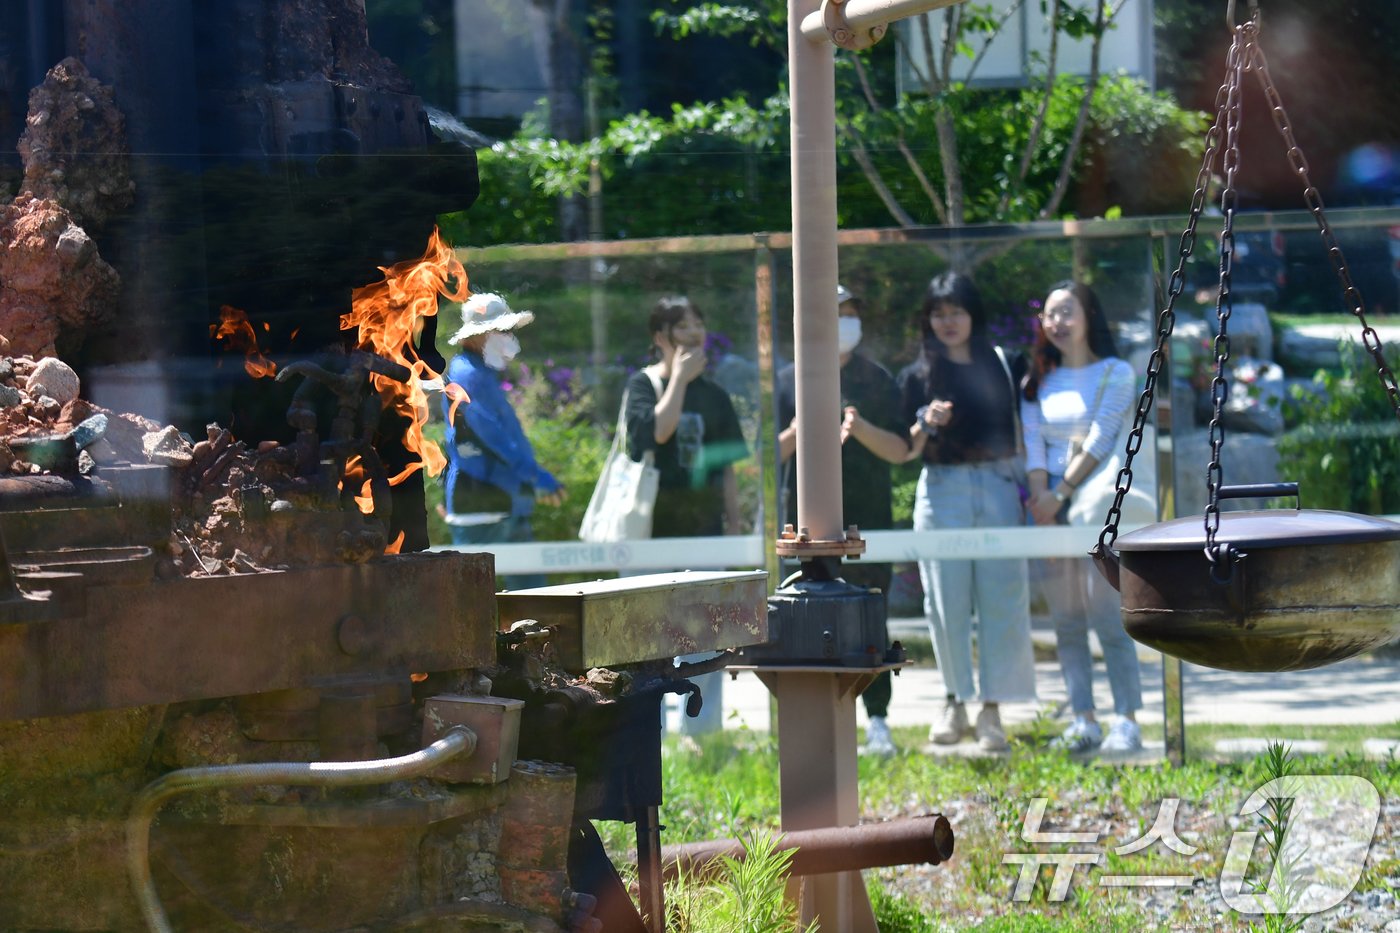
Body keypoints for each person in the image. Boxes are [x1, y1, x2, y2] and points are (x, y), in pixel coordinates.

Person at [898, 271, 1038, 753]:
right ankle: (954, 700)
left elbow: (1029, 427)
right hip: (942, 491)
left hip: (998, 486)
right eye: (938, 312)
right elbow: (906, 449)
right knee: (944, 602)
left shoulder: (1004, 363)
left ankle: (992, 708)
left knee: (1003, 598)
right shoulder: (917, 376)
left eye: (956, 310)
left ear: (973, 314)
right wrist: (924, 422)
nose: (948, 321)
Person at [776, 284, 910, 757]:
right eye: (836, 313)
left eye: (851, 312)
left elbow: (901, 450)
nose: (845, 322)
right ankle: (807, 728)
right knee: (803, 620)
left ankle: (878, 722)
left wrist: (859, 429)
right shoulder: (789, 378)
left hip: (868, 520)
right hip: (805, 529)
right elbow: (767, 453)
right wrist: (805, 426)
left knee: (871, 619)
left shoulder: (877, 379)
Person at [1022, 280, 1144, 753]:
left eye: (1067, 311)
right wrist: (1042, 504)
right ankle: (1083, 719)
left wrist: (1061, 493)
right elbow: (1032, 441)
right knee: (1067, 621)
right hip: (1047, 510)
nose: (1057, 322)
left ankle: (1126, 721)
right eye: (1050, 314)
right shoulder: (1037, 378)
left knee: (1107, 617)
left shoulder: (1116, 371)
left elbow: (1103, 437)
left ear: (1090, 315)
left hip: (1095, 508)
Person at [625, 295, 748, 735]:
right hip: (650, 534)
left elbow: (728, 468)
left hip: (704, 530)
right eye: (682, 325)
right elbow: (658, 431)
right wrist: (677, 380)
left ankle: (701, 734)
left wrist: (734, 530)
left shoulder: (715, 394)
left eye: (698, 322)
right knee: (647, 641)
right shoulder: (641, 386)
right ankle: (648, 733)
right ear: (660, 337)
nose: (694, 332)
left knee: (705, 638)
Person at [441, 292, 564, 590]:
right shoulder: (468, 375)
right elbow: (494, 438)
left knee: (532, 598)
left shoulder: (477, 373)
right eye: (503, 331)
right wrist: (536, 476)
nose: (510, 339)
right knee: (472, 599)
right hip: (481, 503)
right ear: (479, 336)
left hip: (502, 501)